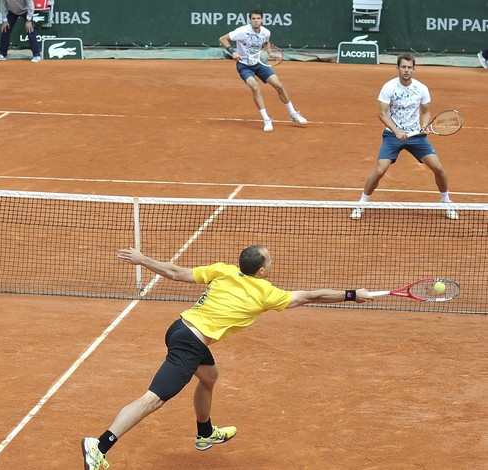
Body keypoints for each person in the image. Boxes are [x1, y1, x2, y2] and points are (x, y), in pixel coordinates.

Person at [81, 245, 372, 469]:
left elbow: (177, 273)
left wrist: (144, 259)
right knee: (153, 399)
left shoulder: (224, 270)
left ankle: (204, 433)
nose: (271, 263)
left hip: (179, 329)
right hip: (190, 345)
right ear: (259, 271)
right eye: (269, 261)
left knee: (209, 376)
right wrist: (351, 294)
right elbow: (312, 296)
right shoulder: (267, 294)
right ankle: (99, 445)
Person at [350, 54, 458, 220]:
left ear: (413, 69)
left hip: (416, 136)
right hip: (393, 135)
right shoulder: (389, 87)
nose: (406, 70)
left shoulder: (421, 88)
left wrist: (424, 126)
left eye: (409, 67)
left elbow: (426, 111)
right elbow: (382, 114)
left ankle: (446, 201)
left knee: (439, 169)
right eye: (403, 67)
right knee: (380, 170)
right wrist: (396, 131)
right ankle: (361, 204)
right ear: (397, 68)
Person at [219, 9, 307, 132]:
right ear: (250, 20)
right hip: (244, 66)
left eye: (258, 18)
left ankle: (293, 114)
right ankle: (266, 119)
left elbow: (266, 43)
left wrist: (270, 53)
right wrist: (232, 52)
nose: (256, 21)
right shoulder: (242, 31)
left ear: (262, 19)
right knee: (255, 87)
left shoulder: (266, 32)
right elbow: (223, 39)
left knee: (279, 85)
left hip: (259, 63)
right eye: (253, 19)